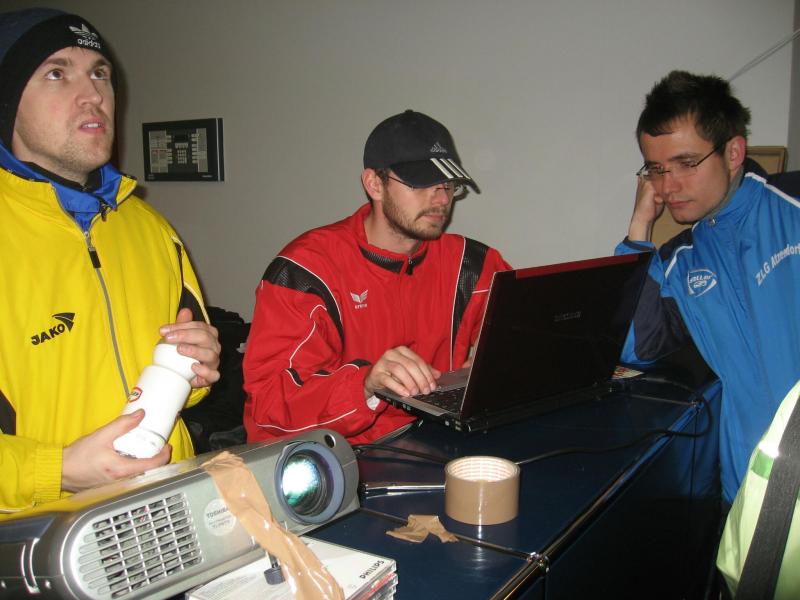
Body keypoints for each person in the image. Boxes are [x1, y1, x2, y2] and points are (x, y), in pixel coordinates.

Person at [0, 8, 220, 517]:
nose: (93, 95)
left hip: (168, 513)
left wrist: (195, 371)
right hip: (39, 536)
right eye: (57, 73)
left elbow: (181, 380)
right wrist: (55, 469)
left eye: (100, 73)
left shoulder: (152, 228)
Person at [243, 110, 511, 444]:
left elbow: (531, 333)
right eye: (420, 183)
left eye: (447, 185)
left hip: (437, 440)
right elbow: (269, 402)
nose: (442, 199)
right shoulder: (306, 271)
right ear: (374, 184)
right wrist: (365, 384)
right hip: (341, 454)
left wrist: (496, 363)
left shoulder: (474, 264)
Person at [616, 70, 800, 505]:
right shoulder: (681, 260)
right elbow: (634, 346)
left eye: (686, 163)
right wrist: (639, 229)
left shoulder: (792, 207)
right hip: (750, 492)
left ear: (733, 152)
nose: (668, 186)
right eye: (656, 169)